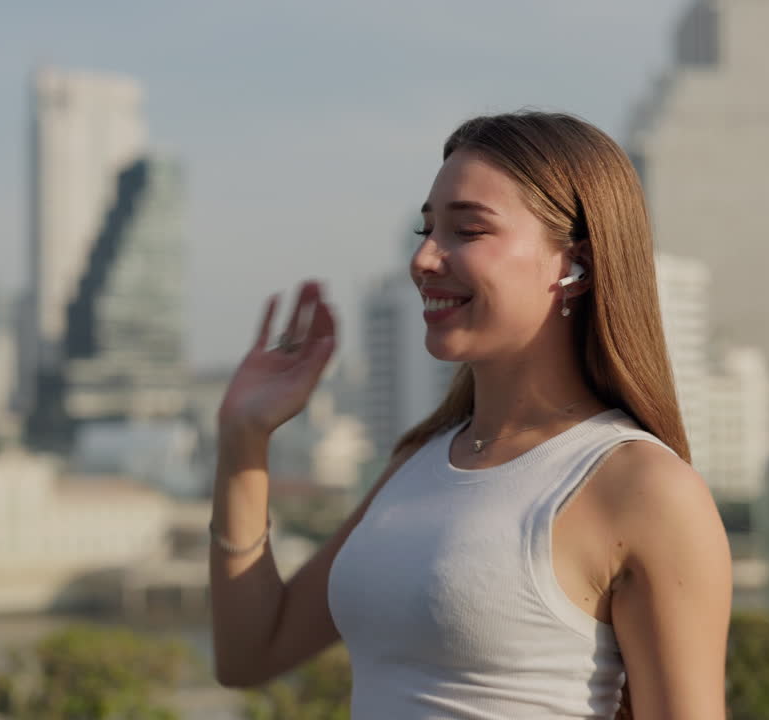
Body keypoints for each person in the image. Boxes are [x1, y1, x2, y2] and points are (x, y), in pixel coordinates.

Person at [208, 111, 732, 719]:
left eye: (468, 231)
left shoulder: (643, 487)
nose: (424, 259)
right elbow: (250, 654)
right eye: (425, 230)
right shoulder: (418, 461)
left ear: (576, 263)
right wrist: (244, 438)